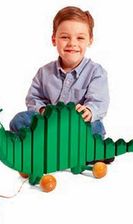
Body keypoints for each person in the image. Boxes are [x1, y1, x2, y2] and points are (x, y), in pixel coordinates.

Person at [10, 6, 110, 140]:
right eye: (65, 37)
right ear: (54, 39)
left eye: (80, 38)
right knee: (19, 120)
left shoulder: (96, 72)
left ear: (90, 40)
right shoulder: (44, 72)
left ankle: (82, 146)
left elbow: (99, 102)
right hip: (49, 123)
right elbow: (33, 98)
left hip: (77, 124)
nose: (72, 43)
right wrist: (42, 110)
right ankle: (45, 143)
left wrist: (90, 111)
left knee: (96, 127)